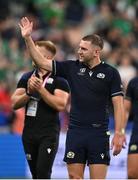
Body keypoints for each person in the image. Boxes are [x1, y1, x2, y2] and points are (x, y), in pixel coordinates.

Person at [18, 17, 125, 179]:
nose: (79, 51)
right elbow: (40, 60)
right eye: (79, 47)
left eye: (83, 49)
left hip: (99, 133)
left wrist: (119, 132)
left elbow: (119, 105)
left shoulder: (111, 73)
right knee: (74, 178)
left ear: (96, 52)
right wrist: (27, 38)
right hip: (75, 132)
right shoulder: (71, 67)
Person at [11, 40, 70, 179]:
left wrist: (40, 90)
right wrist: (29, 93)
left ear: (48, 58)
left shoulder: (60, 79)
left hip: (48, 133)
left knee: (43, 173)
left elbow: (60, 105)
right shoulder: (27, 77)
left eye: (36, 53)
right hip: (29, 132)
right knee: (35, 174)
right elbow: (14, 103)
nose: (32, 55)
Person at [124, 76, 138, 179]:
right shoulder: (134, 82)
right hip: (137, 132)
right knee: (132, 174)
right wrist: (120, 131)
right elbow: (125, 110)